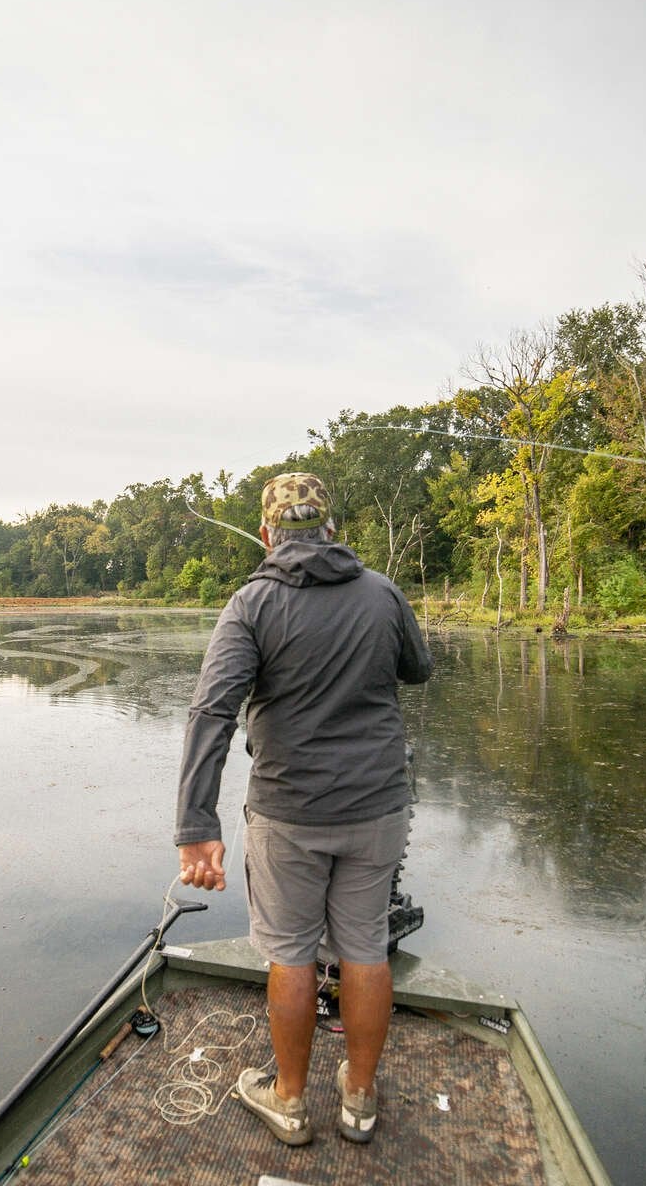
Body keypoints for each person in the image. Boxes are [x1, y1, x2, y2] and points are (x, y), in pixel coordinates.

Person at [173, 471, 433, 1147]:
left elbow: (212, 712)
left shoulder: (250, 605)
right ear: (331, 530)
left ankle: (289, 1102)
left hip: (288, 813)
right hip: (378, 806)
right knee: (365, 949)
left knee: (290, 957)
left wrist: (197, 827)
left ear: (266, 534)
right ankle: (359, 1099)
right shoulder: (382, 592)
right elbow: (420, 670)